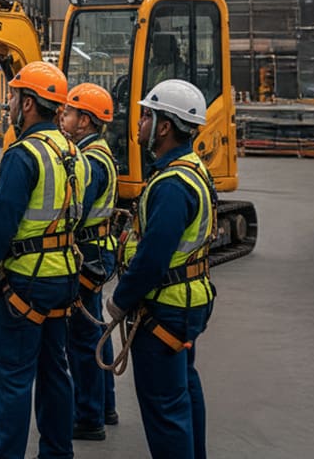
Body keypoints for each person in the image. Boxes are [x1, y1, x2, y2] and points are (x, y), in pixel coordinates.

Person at [0, 62, 85, 459]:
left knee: (14, 379)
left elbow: (0, 224)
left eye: (14, 96)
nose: (9, 102)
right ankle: (57, 453)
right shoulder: (73, 153)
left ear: (29, 103)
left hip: (25, 283)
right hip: (63, 279)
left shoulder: (23, 155)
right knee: (55, 372)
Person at [107, 79, 216, 459]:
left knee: (165, 408)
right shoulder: (191, 169)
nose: (138, 123)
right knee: (183, 391)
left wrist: (120, 299)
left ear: (165, 126)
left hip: (164, 308)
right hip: (186, 303)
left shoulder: (171, 185)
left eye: (146, 115)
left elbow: (153, 257)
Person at [57, 82, 120, 440]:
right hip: (98, 251)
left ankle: (88, 417)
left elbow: (76, 211)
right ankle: (105, 405)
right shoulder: (95, 152)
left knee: (81, 339)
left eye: (68, 111)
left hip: (89, 255)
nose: (63, 116)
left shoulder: (91, 161)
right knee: (96, 331)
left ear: (85, 120)